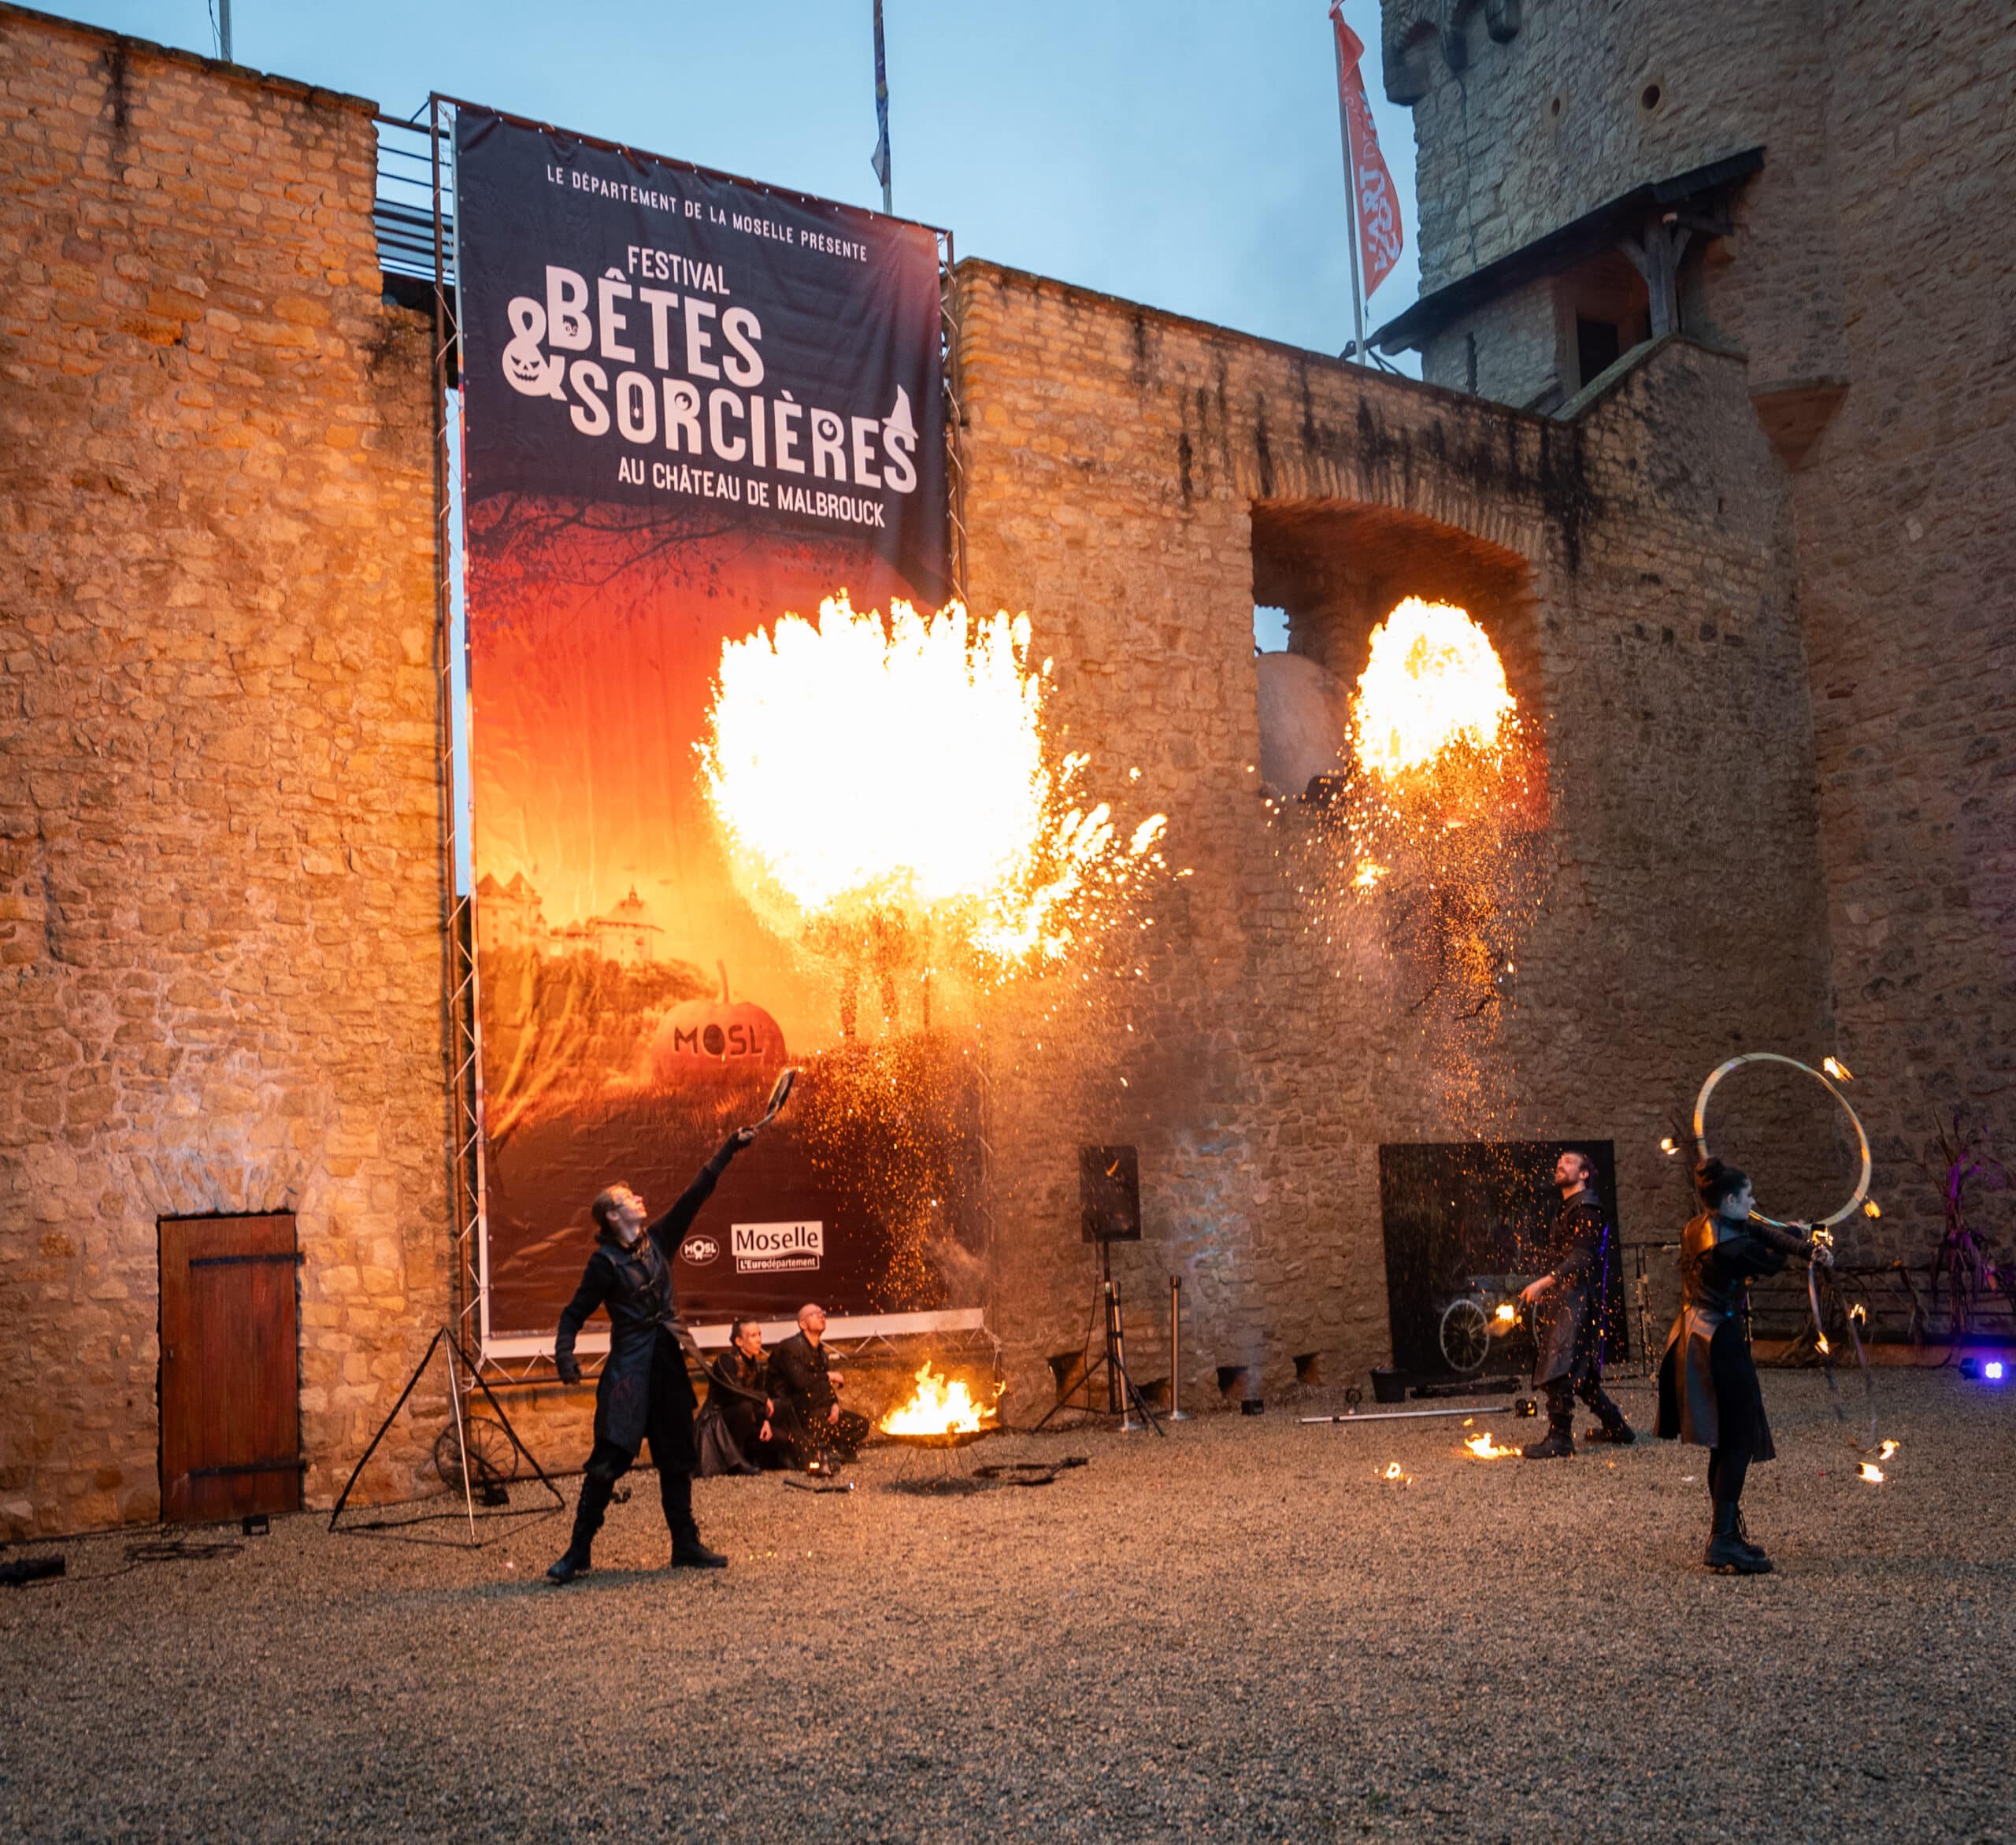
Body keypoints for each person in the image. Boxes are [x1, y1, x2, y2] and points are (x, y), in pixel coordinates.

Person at [545, 1128, 756, 1584]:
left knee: (677, 1458)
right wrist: (565, 1356)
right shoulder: (604, 1263)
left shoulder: (658, 1241)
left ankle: (685, 1546)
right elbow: (572, 1314)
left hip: (667, 1368)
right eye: (628, 1196)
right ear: (612, 1215)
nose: (639, 1198)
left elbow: (695, 1195)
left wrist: (729, 1148)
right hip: (629, 1374)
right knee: (607, 1463)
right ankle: (578, 1552)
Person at [1656, 1157, 1830, 1574]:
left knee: (1726, 1438)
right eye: (1748, 1196)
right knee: (1738, 1438)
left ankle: (1724, 1534)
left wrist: (1796, 1236)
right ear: (1731, 1199)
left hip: (1695, 1333)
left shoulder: (1700, 1226)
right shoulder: (1730, 1247)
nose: (1754, 1202)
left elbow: (1757, 1230)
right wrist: (1810, 1253)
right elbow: (1767, 1259)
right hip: (1717, 1340)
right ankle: (1724, 1540)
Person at [1518, 1149, 1634, 1458]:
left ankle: (1560, 1438)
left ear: (1584, 1174)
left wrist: (1544, 1282)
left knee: (1558, 1364)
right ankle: (1617, 1428)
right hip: (1571, 1296)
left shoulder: (1587, 1209)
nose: (1560, 1165)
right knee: (1580, 1374)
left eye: (1569, 1163)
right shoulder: (1571, 1208)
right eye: (1559, 1162)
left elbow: (1583, 1257)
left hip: (1580, 1298)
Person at [767, 1302, 873, 1469]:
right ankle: (821, 1448)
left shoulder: (820, 1353)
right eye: (815, 1314)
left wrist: (835, 1404)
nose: (821, 1316)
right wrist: (828, 1375)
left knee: (861, 1425)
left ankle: (836, 1450)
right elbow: (800, 1381)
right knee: (813, 1441)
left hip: (818, 1411)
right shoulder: (789, 1348)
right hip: (795, 1412)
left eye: (822, 1313)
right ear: (802, 1324)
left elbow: (824, 1387)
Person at [695, 1317, 784, 1476]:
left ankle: (750, 1457)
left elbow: (758, 1398)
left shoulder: (756, 1367)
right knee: (744, 1407)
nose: (759, 1340)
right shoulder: (725, 1361)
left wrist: (764, 1421)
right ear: (739, 1341)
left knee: (780, 1438)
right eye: (753, 1335)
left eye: (759, 1334)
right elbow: (735, 1390)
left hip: (743, 1423)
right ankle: (736, 1462)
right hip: (718, 1424)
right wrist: (763, 1398)